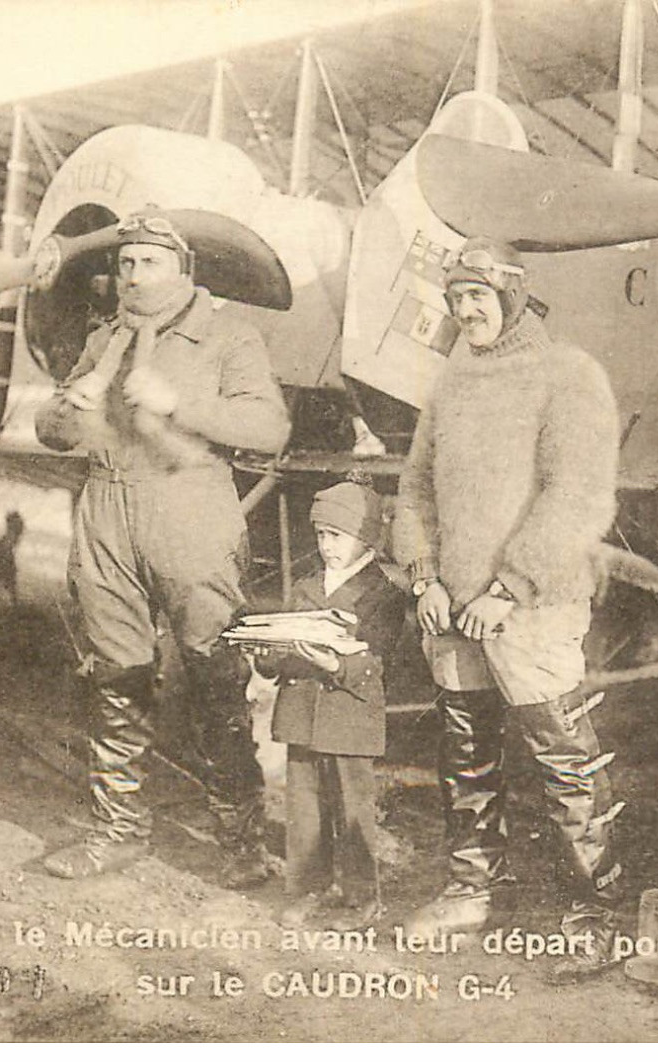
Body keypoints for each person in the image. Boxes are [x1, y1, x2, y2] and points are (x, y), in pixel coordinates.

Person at [392, 236, 625, 982]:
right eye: (456, 300)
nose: (466, 313)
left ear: (512, 297)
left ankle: (594, 911)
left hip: (532, 605)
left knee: (562, 756)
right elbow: (415, 486)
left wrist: (509, 588)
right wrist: (424, 575)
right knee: (465, 754)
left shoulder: (567, 374)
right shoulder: (452, 380)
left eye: (478, 299)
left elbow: (578, 494)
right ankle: (471, 889)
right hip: (453, 607)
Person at [35, 212, 291, 886]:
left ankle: (239, 843)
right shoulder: (103, 339)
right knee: (114, 676)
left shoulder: (229, 333)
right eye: (125, 264)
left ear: (183, 270)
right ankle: (118, 831)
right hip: (105, 509)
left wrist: (178, 403)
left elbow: (268, 428)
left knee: (214, 673)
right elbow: (51, 431)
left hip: (189, 504)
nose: (135, 276)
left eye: (150, 262)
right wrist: (67, 408)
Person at [255, 481, 405, 929]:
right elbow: (279, 654)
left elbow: (377, 661)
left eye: (336, 536)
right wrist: (265, 652)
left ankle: (361, 897)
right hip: (300, 716)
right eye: (320, 535)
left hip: (349, 719)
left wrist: (335, 663)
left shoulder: (382, 594)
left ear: (366, 538)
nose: (325, 546)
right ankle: (307, 889)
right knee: (303, 808)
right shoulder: (305, 587)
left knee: (352, 808)